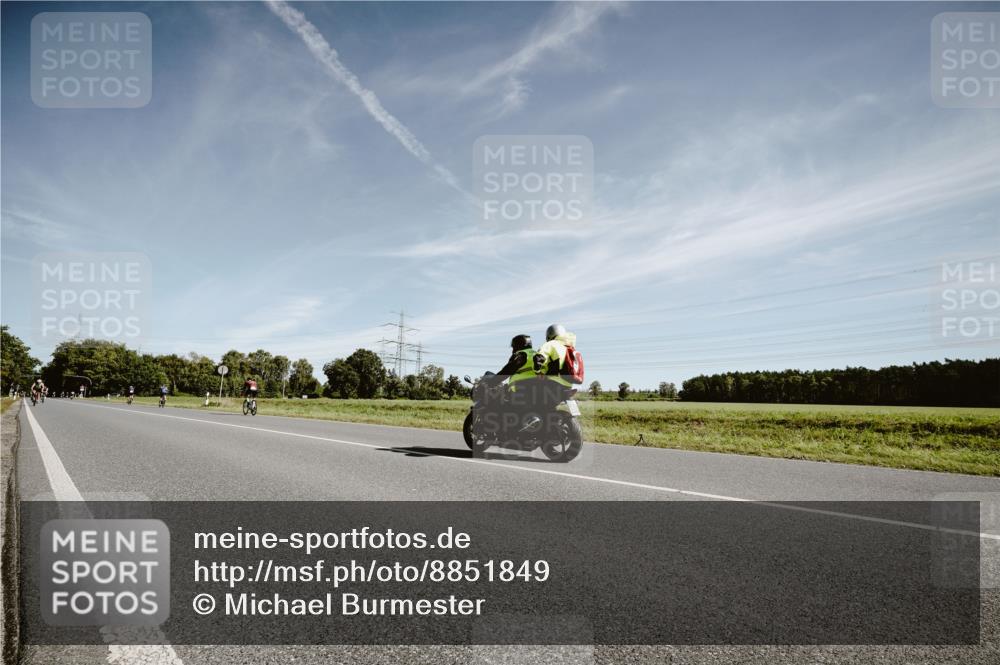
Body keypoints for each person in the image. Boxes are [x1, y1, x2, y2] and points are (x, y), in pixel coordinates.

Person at [534, 323, 577, 390]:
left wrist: (537, 372)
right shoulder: (570, 348)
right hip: (569, 384)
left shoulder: (550, 344)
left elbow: (539, 358)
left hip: (553, 382)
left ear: (549, 335)